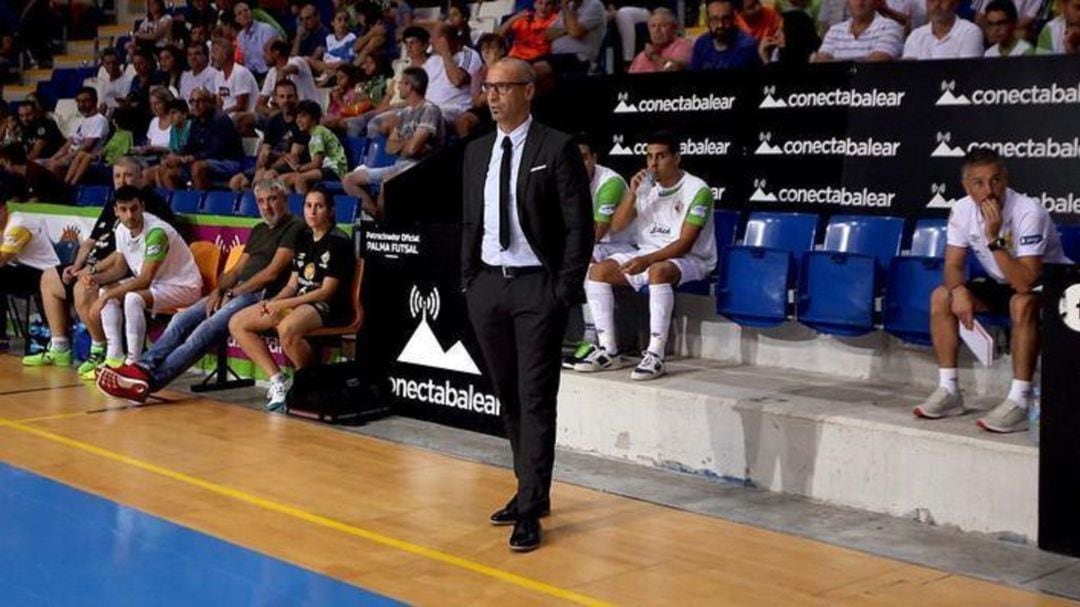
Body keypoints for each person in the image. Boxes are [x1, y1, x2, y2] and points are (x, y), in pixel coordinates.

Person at [460, 58, 593, 552]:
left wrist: (563, 289)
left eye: (503, 87)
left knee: (536, 397)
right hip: (488, 287)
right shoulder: (476, 153)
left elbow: (580, 226)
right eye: (488, 87)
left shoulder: (555, 147)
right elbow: (471, 222)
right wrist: (469, 281)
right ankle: (527, 488)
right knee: (509, 396)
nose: (493, 96)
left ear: (528, 92)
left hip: (538, 288)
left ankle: (532, 506)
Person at [96, 180, 305, 403]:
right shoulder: (259, 229)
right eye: (261, 201)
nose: (267, 206)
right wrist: (220, 290)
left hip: (261, 295)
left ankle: (148, 382)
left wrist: (234, 292)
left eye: (272, 199)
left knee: (204, 330)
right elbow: (235, 270)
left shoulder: (295, 227)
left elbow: (272, 273)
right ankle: (141, 368)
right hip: (237, 292)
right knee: (180, 319)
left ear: (285, 199)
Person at [914, 148, 1071, 433]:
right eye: (979, 183)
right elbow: (952, 264)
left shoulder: (1028, 212)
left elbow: (1026, 281)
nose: (989, 190)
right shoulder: (961, 209)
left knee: (1022, 303)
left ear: (1006, 179)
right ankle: (949, 390)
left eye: (996, 180)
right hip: (1004, 283)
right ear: (966, 186)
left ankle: (1020, 401)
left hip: (1052, 287)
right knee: (942, 296)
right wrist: (959, 289)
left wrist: (993, 239)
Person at [576, 130, 716, 381]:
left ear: (677, 158)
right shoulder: (645, 187)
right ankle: (609, 350)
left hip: (692, 260)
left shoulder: (698, 189)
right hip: (646, 255)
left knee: (658, 271)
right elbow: (617, 226)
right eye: (649, 156)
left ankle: (655, 355)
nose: (653, 164)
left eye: (660, 156)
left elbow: (685, 243)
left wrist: (646, 260)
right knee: (597, 271)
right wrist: (632, 193)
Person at [25, 158, 175, 377]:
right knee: (49, 278)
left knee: (82, 287)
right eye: (117, 176)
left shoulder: (148, 205)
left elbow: (126, 255)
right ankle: (59, 347)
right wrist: (77, 267)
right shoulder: (113, 202)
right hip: (95, 263)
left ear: (141, 177)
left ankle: (100, 350)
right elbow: (90, 241)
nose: (122, 180)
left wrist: (91, 272)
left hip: (124, 268)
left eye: (128, 175)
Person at [229, 186, 356, 412]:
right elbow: (292, 284)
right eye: (308, 206)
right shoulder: (303, 237)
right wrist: (270, 303)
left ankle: (307, 383)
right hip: (299, 302)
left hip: (328, 306)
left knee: (287, 327)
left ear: (330, 211)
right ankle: (278, 380)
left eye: (319, 206)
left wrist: (283, 304)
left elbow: (325, 292)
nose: (312, 211)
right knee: (238, 322)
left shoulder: (339, 242)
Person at [85, 185, 202, 368]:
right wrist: (97, 279)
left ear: (142, 206)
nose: (130, 215)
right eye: (123, 210)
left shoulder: (157, 232)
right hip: (157, 284)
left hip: (183, 286)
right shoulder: (121, 230)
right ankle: (114, 357)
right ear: (116, 211)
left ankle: (134, 363)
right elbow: (119, 268)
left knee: (132, 298)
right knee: (106, 290)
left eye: (134, 208)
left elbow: (144, 279)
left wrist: (107, 296)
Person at [561, 134, 634, 369]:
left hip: (622, 245)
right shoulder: (564, 179)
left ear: (594, 158)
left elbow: (597, 232)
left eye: (584, 158)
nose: (580, 164)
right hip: (595, 245)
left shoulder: (609, 183)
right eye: (574, 159)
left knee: (585, 261)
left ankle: (593, 339)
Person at [342, 67, 444, 218]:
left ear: (410, 86)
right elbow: (390, 147)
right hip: (399, 165)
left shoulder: (430, 111)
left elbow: (413, 149)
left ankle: (384, 230)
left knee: (388, 184)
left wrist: (405, 146)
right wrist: (407, 145)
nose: (398, 87)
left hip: (420, 167)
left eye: (402, 83)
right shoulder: (405, 113)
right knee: (349, 180)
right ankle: (375, 216)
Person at [148, 87, 244, 190]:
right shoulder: (195, 121)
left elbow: (216, 151)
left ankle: (202, 204)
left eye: (200, 101)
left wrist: (191, 158)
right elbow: (190, 145)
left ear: (210, 103)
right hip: (203, 160)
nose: (195, 105)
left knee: (197, 167)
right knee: (167, 171)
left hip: (228, 161)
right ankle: (178, 204)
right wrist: (177, 156)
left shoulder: (220, 119)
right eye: (192, 101)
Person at [229, 80, 304, 191]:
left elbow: (293, 158)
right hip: (271, 163)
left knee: (267, 178)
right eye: (282, 97)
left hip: (290, 166)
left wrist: (267, 168)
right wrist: (260, 169)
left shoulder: (302, 121)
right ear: (276, 99)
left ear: (296, 97)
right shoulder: (273, 120)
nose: (286, 100)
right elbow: (265, 151)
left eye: (290, 96)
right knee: (236, 182)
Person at [279, 100, 348, 194]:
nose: (298, 120)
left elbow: (316, 164)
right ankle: (291, 206)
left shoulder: (318, 133)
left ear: (314, 119)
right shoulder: (313, 134)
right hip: (323, 170)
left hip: (334, 170)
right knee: (282, 180)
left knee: (300, 179)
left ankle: (304, 207)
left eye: (303, 116)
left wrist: (298, 168)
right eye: (297, 116)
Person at [44, 87, 109, 183]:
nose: (81, 105)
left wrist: (65, 158)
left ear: (95, 101)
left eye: (85, 101)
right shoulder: (79, 120)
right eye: (78, 101)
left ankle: (62, 193)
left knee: (53, 166)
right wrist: (53, 157)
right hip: (70, 155)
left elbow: (87, 146)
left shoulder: (99, 120)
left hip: (82, 157)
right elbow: (68, 144)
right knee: (39, 164)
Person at [812, 0, 904, 61]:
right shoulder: (834, 31)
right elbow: (821, 63)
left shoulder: (889, 27)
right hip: (838, 89)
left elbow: (875, 65)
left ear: (875, 2)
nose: (860, 2)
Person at [690, 0, 763, 70]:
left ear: (733, 19)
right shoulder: (701, 44)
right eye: (715, 19)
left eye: (726, 19)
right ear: (707, 20)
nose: (720, 25)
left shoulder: (747, 47)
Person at [257, 39, 319, 119]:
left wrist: (277, 96)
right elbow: (259, 104)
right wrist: (275, 113)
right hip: (285, 117)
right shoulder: (272, 72)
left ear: (276, 52)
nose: (263, 56)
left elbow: (288, 70)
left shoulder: (297, 61)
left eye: (266, 51)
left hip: (307, 114)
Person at [901, 0, 983, 60]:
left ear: (955, 3)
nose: (936, 5)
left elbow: (967, 73)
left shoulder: (970, 32)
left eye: (943, 0)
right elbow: (909, 74)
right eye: (932, 0)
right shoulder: (915, 36)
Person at [628, 8, 693, 73]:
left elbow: (672, 68)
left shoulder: (683, 46)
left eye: (663, 26)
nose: (657, 30)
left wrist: (653, 56)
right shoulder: (641, 56)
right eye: (653, 26)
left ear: (674, 28)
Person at [0, 142, 70, 202]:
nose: (4, 168)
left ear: (9, 162)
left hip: (59, 205)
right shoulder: (21, 174)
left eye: (4, 164)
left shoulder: (35, 173)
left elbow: (33, 202)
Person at [234, 2, 279, 77]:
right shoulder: (240, 36)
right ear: (237, 19)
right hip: (251, 75)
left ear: (251, 12)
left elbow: (274, 58)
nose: (244, 14)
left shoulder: (266, 29)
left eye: (246, 10)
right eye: (240, 13)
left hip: (269, 73)